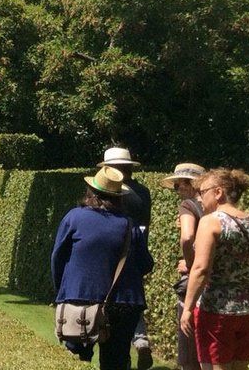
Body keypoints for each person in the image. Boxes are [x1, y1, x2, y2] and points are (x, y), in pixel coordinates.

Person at [52, 167, 154, 370]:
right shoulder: (129, 224)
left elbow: (57, 257)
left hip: (80, 298)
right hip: (123, 303)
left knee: (76, 361)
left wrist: (62, 292)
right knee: (115, 363)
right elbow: (145, 264)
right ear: (119, 198)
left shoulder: (74, 218)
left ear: (91, 192)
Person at [181, 169, 249, 370]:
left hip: (218, 311)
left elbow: (200, 269)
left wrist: (188, 308)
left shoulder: (211, 221)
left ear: (218, 192)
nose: (199, 198)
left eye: (202, 191)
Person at [98, 146, 154, 369]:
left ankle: (126, 348)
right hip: (138, 251)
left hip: (114, 253)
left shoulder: (114, 193)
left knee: (115, 303)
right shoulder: (143, 193)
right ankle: (140, 340)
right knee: (131, 299)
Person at [160, 163, 206, 370]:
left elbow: (187, 238)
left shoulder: (188, 206)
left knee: (189, 352)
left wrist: (190, 264)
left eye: (179, 186)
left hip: (196, 281)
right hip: (218, 286)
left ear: (193, 185)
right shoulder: (217, 208)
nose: (177, 191)